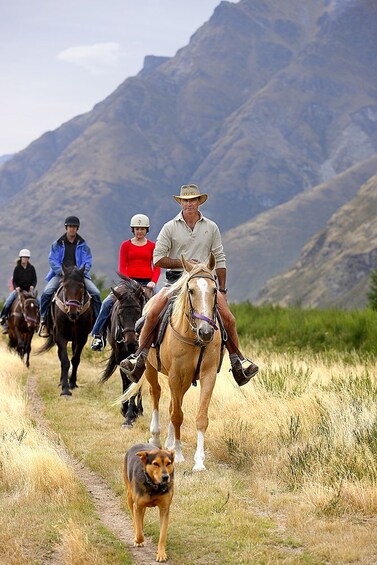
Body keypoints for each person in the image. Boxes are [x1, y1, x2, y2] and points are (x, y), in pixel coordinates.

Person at [120, 184, 258, 387]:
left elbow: (219, 258)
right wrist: (184, 264)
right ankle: (139, 358)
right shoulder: (170, 227)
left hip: (204, 282)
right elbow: (158, 258)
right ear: (181, 202)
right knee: (152, 313)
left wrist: (222, 289)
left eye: (193, 200)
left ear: (199, 202)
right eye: (185, 200)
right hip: (175, 281)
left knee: (228, 318)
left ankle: (238, 362)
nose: (189, 203)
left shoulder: (211, 227)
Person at [90, 213, 161, 350]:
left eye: (142, 229)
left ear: (147, 230)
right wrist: (130, 281)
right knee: (107, 303)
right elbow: (122, 267)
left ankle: (157, 339)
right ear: (133, 230)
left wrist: (153, 281)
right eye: (137, 228)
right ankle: (98, 336)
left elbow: (157, 267)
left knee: (160, 306)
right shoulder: (125, 245)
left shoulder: (153, 246)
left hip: (147, 283)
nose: (139, 231)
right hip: (128, 282)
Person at [38, 216, 102, 337]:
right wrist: (61, 271)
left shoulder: (84, 245)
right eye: (70, 226)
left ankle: (98, 325)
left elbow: (88, 261)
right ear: (66, 228)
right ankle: (44, 321)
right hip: (61, 274)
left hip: (78, 276)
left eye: (74, 227)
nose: (72, 229)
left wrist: (80, 272)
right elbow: (52, 260)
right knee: (46, 293)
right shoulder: (57, 244)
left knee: (96, 294)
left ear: (77, 229)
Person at [0, 249, 37, 334]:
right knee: (8, 301)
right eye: (23, 257)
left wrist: (32, 286)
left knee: (38, 302)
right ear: (21, 258)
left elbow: (34, 279)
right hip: (19, 290)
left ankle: (40, 321)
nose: (25, 259)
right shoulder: (17, 268)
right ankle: (3, 318)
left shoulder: (32, 268)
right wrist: (16, 287)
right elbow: (15, 280)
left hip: (28, 291)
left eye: (26, 257)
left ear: (28, 258)